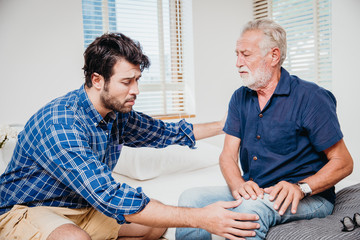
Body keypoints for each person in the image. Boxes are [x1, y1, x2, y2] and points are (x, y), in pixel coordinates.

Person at [0, 33, 260, 240]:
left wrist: (228, 124)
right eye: (127, 82)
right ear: (97, 79)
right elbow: (109, 196)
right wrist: (200, 217)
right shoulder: (60, 124)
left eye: (137, 80)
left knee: (152, 228)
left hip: (81, 208)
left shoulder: (117, 113)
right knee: (74, 238)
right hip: (26, 210)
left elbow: (169, 132)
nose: (135, 90)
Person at [176, 19, 354, 240]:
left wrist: (301, 188)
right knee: (190, 200)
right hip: (258, 190)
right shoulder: (239, 97)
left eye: (246, 54)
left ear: (274, 56)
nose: (238, 62)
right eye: (237, 54)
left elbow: (343, 162)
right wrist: (237, 185)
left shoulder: (311, 97)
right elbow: (228, 156)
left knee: (248, 213)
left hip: (309, 197)